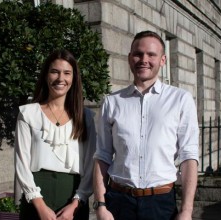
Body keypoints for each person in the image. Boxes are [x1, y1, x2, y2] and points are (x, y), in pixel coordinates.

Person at [93, 30, 199, 220]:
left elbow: (188, 156)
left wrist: (186, 210)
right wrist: (100, 205)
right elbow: (102, 155)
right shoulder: (112, 102)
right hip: (118, 201)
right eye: (138, 54)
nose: (144, 59)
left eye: (151, 54)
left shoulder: (181, 100)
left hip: (160, 203)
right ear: (129, 58)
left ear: (163, 60)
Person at [14, 49, 96, 220]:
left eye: (67, 73)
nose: (61, 78)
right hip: (36, 200)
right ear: (46, 75)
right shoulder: (28, 113)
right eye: (54, 72)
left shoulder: (85, 117)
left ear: (74, 78)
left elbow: (90, 165)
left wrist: (75, 204)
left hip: (73, 200)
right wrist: (40, 205)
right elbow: (21, 162)